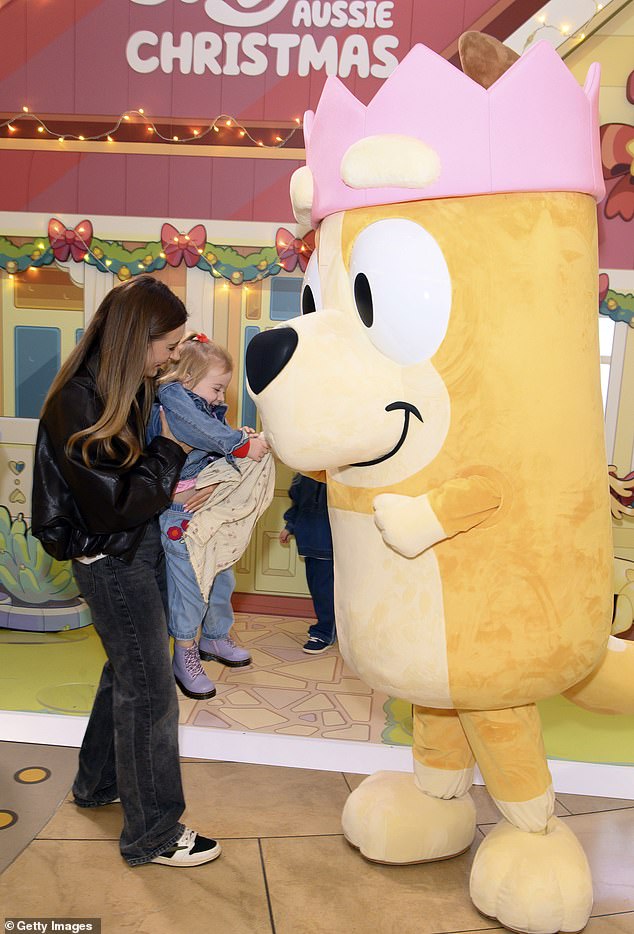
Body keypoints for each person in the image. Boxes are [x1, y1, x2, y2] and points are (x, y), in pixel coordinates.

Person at [31, 275, 221, 868]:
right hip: (111, 559)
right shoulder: (78, 401)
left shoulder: (121, 389)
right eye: (165, 347)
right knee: (151, 694)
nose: (169, 360)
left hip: (133, 552)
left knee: (127, 674)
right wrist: (171, 452)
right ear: (136, 338)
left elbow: (132, 490)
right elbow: (116, 503)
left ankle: (95, 784)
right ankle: (153, 834)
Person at [148, 333, 268, 699]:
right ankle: (184, 653)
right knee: (191, 588)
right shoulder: (173, 398)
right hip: (180, 513)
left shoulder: (205, 409)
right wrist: (241, 443)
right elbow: (210, 436)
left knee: (220, 576)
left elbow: (218, 450)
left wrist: (231, 450)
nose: (220, 398)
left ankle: (214, 638)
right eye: (216, 389)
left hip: (207, 509)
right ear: (187, 378)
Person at [280, 473, 336, 653]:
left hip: (332, 541)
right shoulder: (304, 472)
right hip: (310, 539)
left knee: (325, 589)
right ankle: (327, 628)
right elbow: (297, 502)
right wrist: (290, 526)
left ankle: (324, 631)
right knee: (318, 588)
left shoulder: (342, 471)